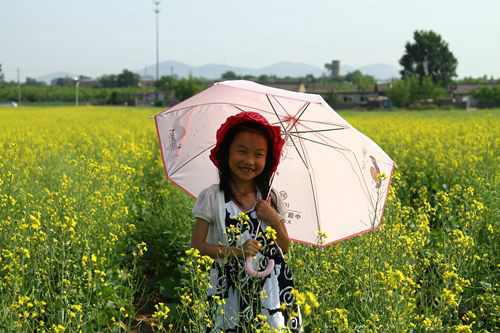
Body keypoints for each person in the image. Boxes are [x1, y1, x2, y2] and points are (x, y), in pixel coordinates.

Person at [191, 112, 302, 332]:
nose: (250, 161)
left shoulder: (271, 197)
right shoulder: (212, 197)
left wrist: (274, 219)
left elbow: (285, 246)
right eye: (242, 151)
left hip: (270, 286)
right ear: (226, 153)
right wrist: (237, 252)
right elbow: (197, 247)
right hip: (228, 286)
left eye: (259, 154)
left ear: (268, 160)